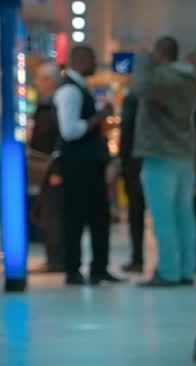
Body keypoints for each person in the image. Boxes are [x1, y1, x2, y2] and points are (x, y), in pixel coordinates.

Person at [135, 36, 196, 287]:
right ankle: (186, 269)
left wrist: (142, 61)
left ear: (159, 54)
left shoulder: (160, 77)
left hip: (160, 153)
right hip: (185, 153)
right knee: (185, 216)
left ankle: (168, 272)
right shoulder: (193, 78)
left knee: (163, 217)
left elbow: (139, 88)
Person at [55, 45, 122, 286]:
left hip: (88, 165)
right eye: (92, 58)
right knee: (75, 217)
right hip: (78, 166)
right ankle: (73, 269)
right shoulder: (70, 91)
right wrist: (98, 118)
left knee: (98, 216)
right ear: (80, 60)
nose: (95, 63)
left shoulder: (79, 88)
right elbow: (69, 130)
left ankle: (99, 268)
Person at [28, 63, 64, 274]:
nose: (36, 83)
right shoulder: (48, 105)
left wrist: (57, 169)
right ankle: (55, 258)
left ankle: (56, 259)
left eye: (40, 78)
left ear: (50, 81)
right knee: (48, 212)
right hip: (47, 167)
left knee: (53, 213)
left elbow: (58, 138)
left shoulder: (53, 106)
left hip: (51, 167)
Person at [118, 91, 147, 274]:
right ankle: (179, 264)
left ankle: (138, 259)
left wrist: (121, 160)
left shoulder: (133, 98)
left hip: (135, 162)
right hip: (164, 157)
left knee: (136, 212)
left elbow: (127, 131)